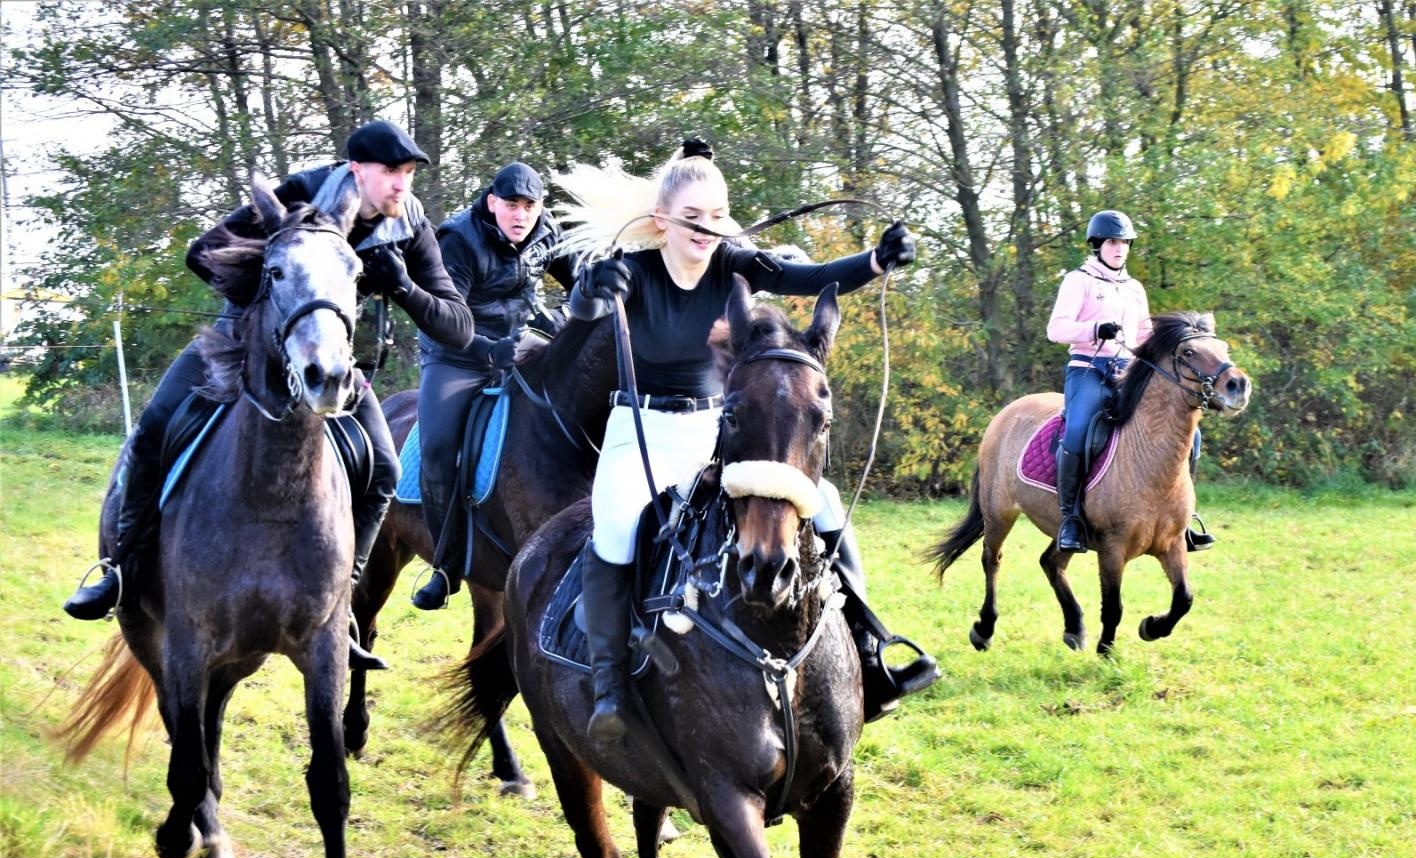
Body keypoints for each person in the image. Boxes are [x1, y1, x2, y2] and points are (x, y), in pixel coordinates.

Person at [554, 138, 939, 744]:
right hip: (642, 429)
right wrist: (587, 290)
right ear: (662, 221)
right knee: (618, 526)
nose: (707, 229)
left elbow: (808, 277)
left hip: (718, 428)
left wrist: (876, 260)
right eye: (693, 217)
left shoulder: (736, 262)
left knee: (827, 504)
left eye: (717, 215)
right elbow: (583, 313)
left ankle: (870, 652)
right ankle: (610, 687)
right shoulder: (638, 274)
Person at [64, 120, 473, 669]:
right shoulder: (299, 193)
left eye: (408, 174)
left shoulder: (409, 226)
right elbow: (202, 253)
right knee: (154, 428)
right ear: (357, 169)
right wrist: (280, 295)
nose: (402, 184)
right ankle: (118, 570)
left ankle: (341, 604)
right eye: (391, 172)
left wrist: (400, 285)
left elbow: (458, 326)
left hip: (334, 363)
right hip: (245, 345)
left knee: (384, 470)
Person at [411, 161, 581, 610]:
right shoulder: (458, 240)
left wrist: (581, 303)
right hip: (456, 354)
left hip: (519, 342)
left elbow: (580, 279)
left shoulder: (547, 232)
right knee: (438, 449)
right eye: (511, 205)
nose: (521, 214)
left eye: (529, 205)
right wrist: (488, 351)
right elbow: (446, 320)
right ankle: (445, 566)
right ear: (492, 203)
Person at [1045, 209, 1215, 554]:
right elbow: (1055, 329)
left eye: (1124, 242)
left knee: (1191, 433)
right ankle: (1071, 519)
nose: (1119, 248)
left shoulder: (1134, 288)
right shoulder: (1078, 280)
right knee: (1079, 429)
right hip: (1087, 368)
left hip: (1128, 371)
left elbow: (1143, 335)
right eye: (1112, 242)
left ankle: (1183, 517)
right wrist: (1093, 330)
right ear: (1096, 245)